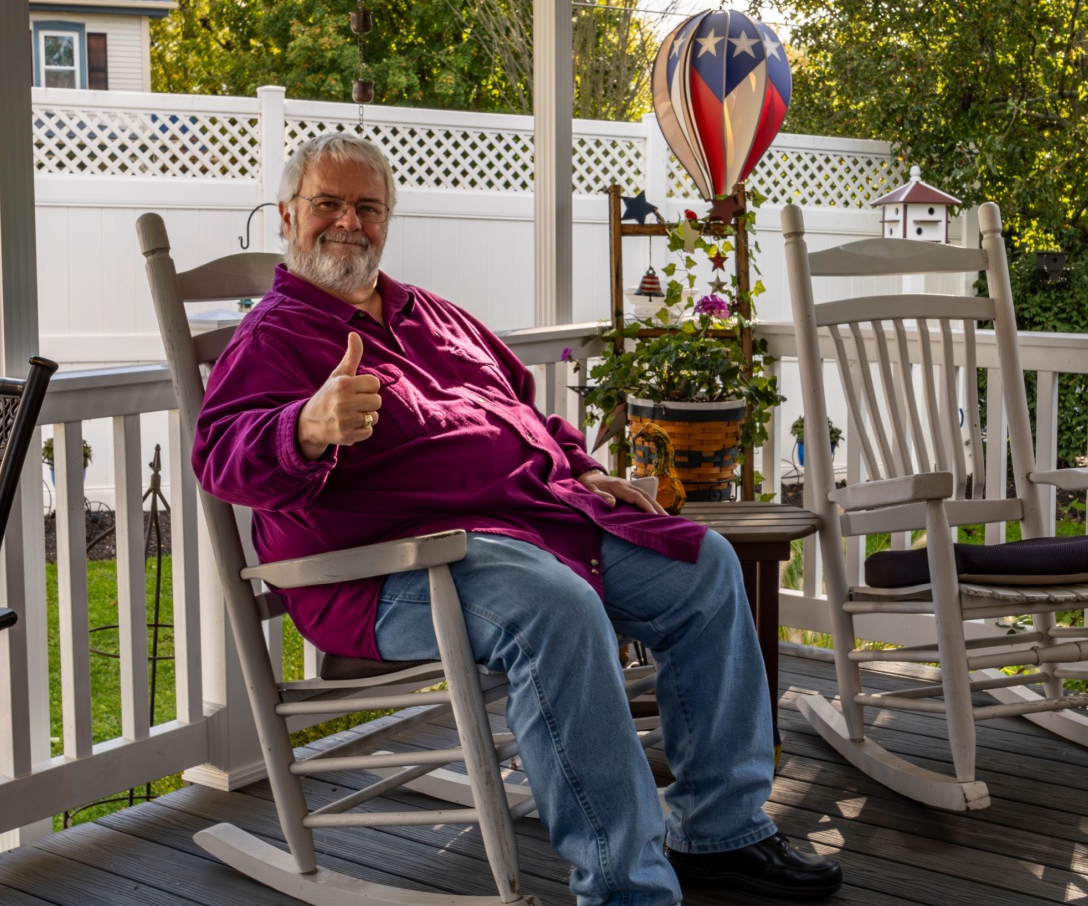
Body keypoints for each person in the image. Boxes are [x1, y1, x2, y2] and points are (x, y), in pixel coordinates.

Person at [193, 133, 842, 906]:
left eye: (367, 207)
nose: (348, 223)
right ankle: (625, 887)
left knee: (702, 566)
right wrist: (304, 427)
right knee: (556, 611)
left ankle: (718, 831)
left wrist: (588, 469)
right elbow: (220, 457)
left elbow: (523, 417)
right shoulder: (275, 335)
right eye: (327, 204)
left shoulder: (433, 315)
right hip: (389, 570)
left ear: (387, 219)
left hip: (537, 524)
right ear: (287, 216)